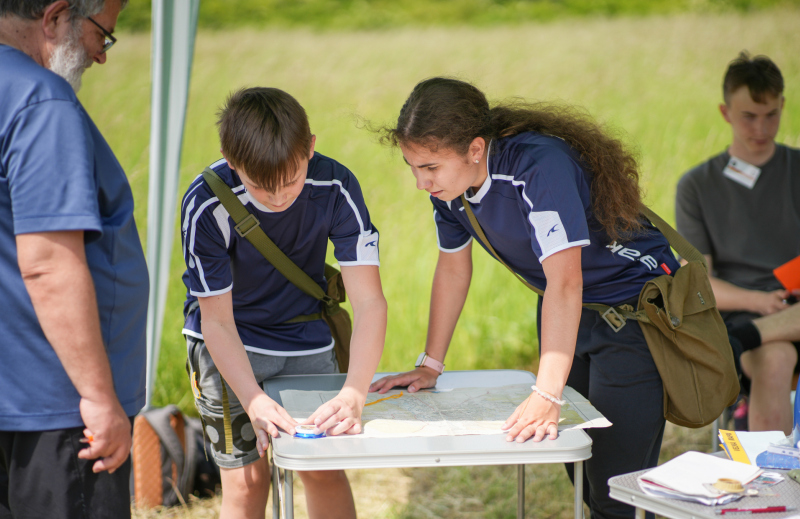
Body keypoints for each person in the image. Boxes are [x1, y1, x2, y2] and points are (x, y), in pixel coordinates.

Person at [370, 77, 680, 519]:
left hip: (633, 312)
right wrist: (430, 365)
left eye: (431, 167)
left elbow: (566, 281)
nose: (421, 183)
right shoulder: (448, 190)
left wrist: (547, 393)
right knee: (580, 467)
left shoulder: (539, 166)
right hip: (571, 311)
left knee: (616, 492)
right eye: (413, 166)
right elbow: (454, 268)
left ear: (475, 149)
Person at [181, 87, 387, 519]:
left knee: (322, 469)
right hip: (228, 346)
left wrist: (354, 393)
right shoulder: (205, 204)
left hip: (305, 339)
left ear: (310, 148)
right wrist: (253, 399)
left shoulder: (336, 186)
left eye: (291, 180)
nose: (278, 198)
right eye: (261, 187)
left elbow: (369, 302)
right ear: (231, 159)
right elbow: (216, 323)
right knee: (247, 482)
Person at [0, 0, 148, 518]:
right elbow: (49, 263)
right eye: (101, 32)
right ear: (57, 17)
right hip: (56, 407)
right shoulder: (40, 98)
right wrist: (98, 397)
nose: (102, 53)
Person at [676, 51, 800, 433]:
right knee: (775, 358)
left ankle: (746, 341)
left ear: (782, 106)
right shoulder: (697, 185)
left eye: (771, 115)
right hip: (741, 311)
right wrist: (758, 301)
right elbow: (697, 285)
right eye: (749, 116)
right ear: (726, 112)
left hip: (776, 313)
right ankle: (773, 486)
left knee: (768, 348)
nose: (761, 128)